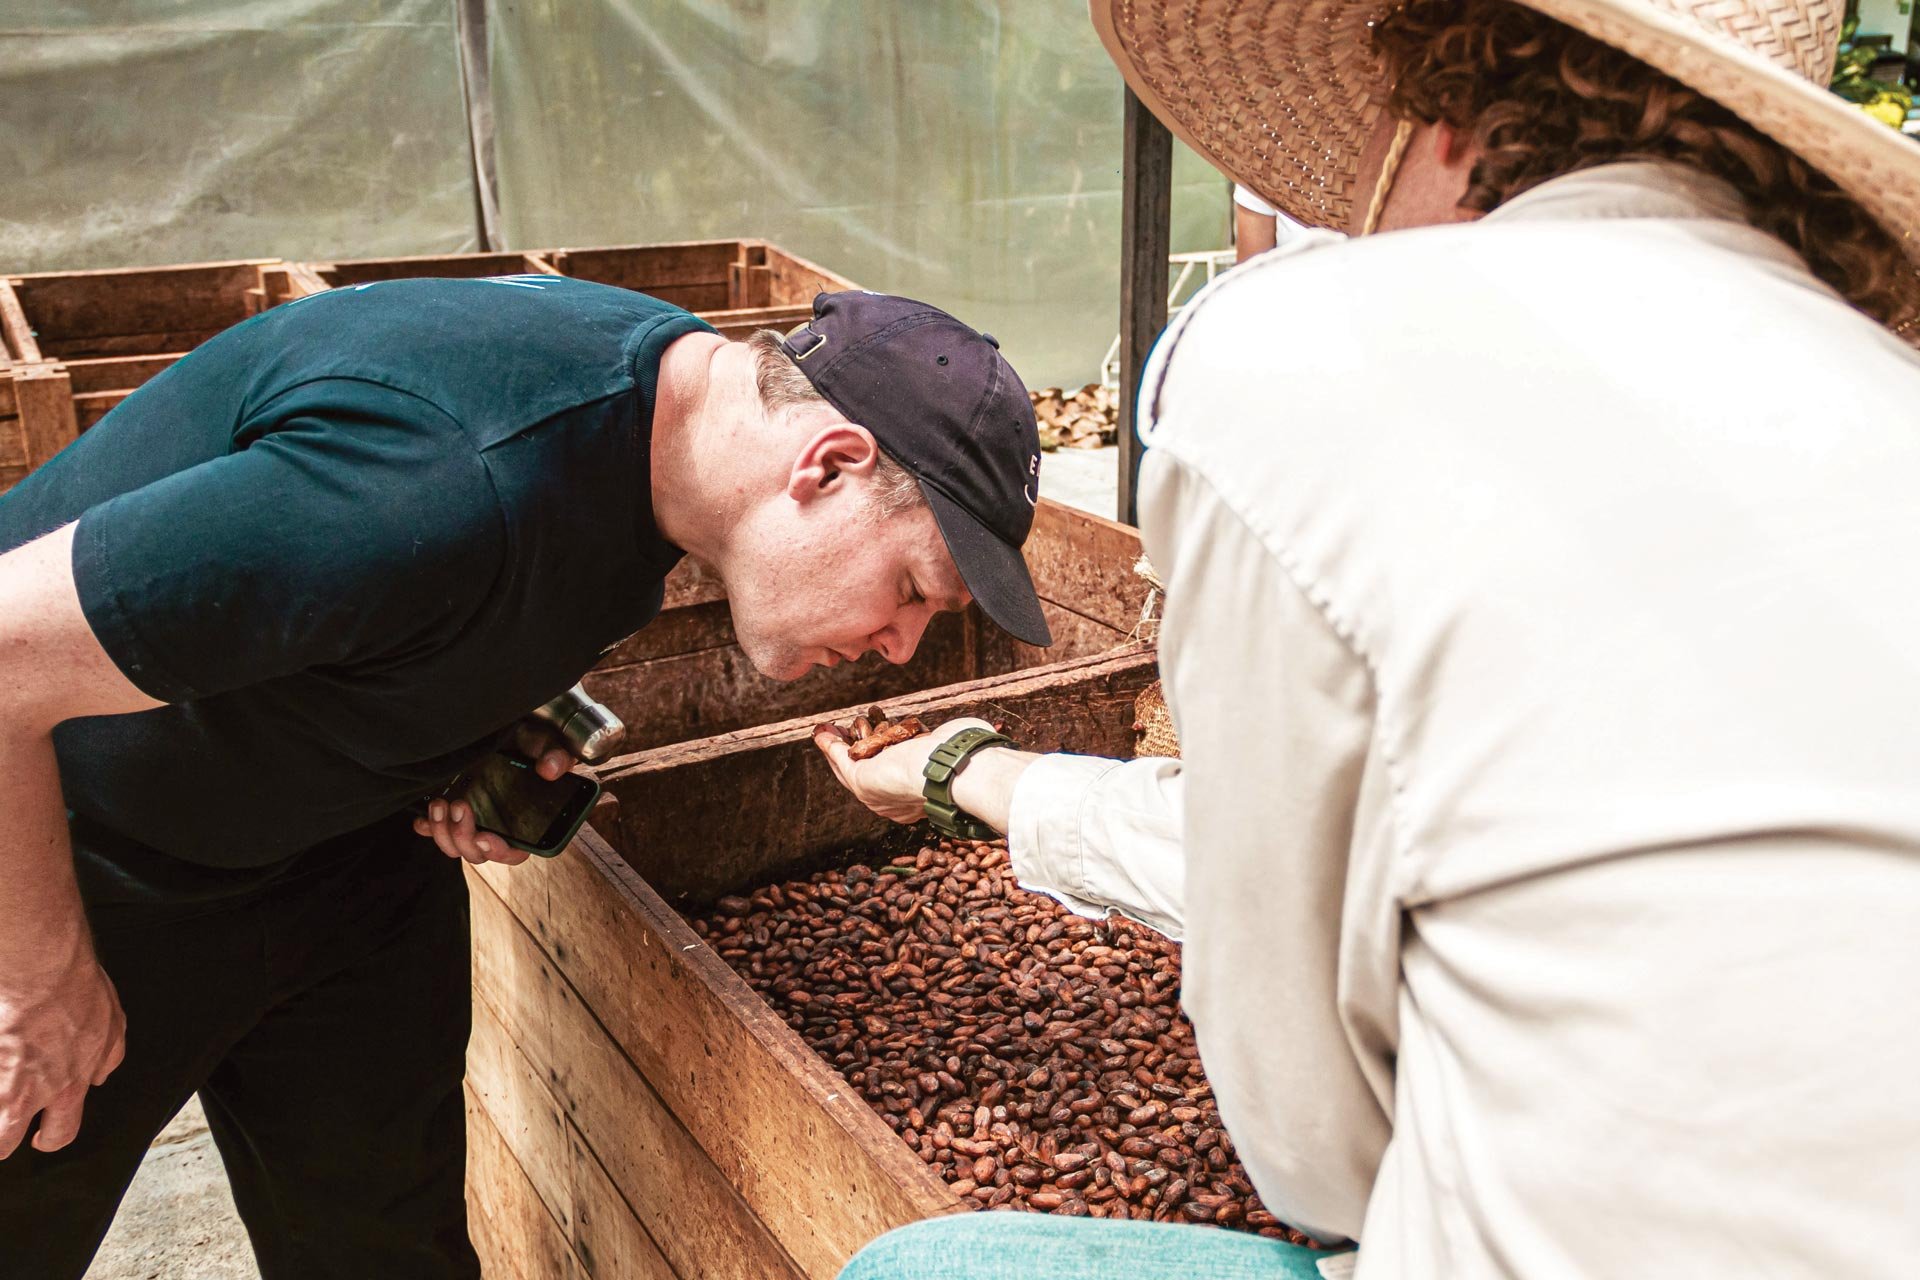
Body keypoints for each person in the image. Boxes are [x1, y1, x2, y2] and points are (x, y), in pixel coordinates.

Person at [817, 0, 1920, 1275]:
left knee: (917, 1267)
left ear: (1435, 121)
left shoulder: (1300, 354)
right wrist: (971, 772)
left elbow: (1312, 1147)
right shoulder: (1877, 407)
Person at [0, 278, 1052, 1277]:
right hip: (76, 854)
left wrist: (474, 714)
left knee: (384, 1247)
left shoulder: (677, 418)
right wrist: (34, 976)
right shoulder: (442, 477)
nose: (901, 647)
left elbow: (445, 587)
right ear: (827, 465)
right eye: (911, 587)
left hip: (341, 858)